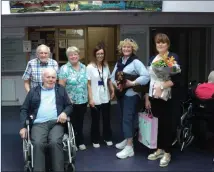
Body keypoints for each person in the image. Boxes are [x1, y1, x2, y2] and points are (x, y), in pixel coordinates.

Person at [19, 68, 73, 172]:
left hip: (57, 123)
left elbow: (69, 106)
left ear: (56, 79)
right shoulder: (33, 91)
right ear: (42, 78)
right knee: (38, 143)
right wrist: (23, 127)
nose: (51, 79)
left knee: (55, 141)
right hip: (38, 124)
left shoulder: (60, 89)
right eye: (48, 77)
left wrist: (64, 113)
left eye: (53, 77)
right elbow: (24, 109)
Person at [145, 33, 182, 167]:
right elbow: (150, 79)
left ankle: (167, 152)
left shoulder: (172, 58)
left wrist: (162, 86)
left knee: (167, 125)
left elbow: (176, 79)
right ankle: (159, 149)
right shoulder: (152, 59)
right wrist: (147, 97)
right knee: (157, 125)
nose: (160, 44)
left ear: (168, 44)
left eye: (163, 42)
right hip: (154, 96)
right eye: (158, 42)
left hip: (167, 97)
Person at [111, 38, 150, 159]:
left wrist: (132, 83)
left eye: (129, 47)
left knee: (128, 119)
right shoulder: (120, 61)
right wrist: (116, 84)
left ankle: (129, 147)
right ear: (121, 49)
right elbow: (112, 76)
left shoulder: (136, 62)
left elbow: (146, 76)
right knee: (125, 118)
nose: (126, 49)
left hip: (131, 95)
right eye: (124, 47)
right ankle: (127, 139)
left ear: (132, 48)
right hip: (121, 94)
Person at [59, 46, 88, 151]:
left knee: (80, 122)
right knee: (71, 123)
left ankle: (80, 141)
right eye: (71, 55)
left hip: (83, 100)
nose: (73, 56)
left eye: (75, 54)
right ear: (68, 57)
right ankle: (72, 142)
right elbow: (61, 87)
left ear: (78, 55)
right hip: (70, 102)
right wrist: (67, 99)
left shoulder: (84, 67)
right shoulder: (64, 69)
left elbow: (87, 83)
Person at [87, 42, 115, 148]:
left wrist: (112, 89)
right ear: (95, 55)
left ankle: (107, 137)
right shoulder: (89, 67)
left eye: (102, 53)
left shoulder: (106, 66)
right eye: (98, 53)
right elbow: (88, 84)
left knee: (107, 118)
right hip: (95, 97)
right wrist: (91, 99)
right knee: (95, 120)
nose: (100, 55)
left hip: (105, 96)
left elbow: (108, 80)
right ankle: (95, 139)